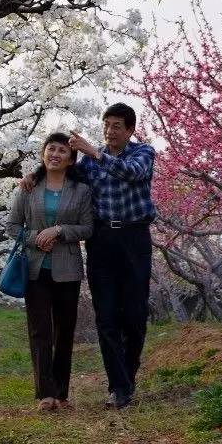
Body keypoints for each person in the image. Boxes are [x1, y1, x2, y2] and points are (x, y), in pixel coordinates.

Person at [22, 103, 156, 409]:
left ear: (131, 130)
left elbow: (132, 174)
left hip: (134, 238)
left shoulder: (143, 153)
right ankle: (118, 388)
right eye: (106, 124)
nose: (109, 131)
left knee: (134, 316)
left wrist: (95, 152)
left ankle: (127, 377)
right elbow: (61, 169)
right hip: (102, 240)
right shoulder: (89, 167)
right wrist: (34, 174)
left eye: (117, 126)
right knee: (106, 316)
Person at [6, 132, 94, 411]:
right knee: (39, 330)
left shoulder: (81, 191)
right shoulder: (28, 187)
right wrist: (36, 238)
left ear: (71, 159)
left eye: (62, 151)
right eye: (50, 149)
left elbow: (88, 228)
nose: (55, 154)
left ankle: (62, 393)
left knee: (64, 331)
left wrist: (59, 231)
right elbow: (12, 226)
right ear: (43, 154)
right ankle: (45, 393)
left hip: (67, 269)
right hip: (35, 269)